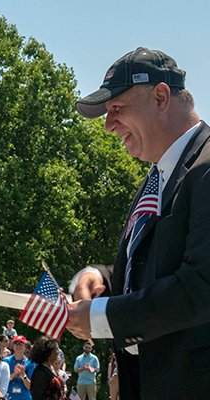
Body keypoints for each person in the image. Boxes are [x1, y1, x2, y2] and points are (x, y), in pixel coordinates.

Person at [67, 46, 210, 399]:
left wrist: (103, 316)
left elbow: (202, 286)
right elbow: (154, 267)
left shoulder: (206, 169)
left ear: (160, 96)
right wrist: (99, 276)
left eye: (116, 109)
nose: (107, 126)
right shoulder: (158, 177)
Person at [29, 336, 64, 400]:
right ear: (49, 352)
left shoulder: (51, 368)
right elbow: (38, 397)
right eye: (57, 349)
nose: (59, 351)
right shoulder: (40, 373)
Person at [3, 335, 35, 400]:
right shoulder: (6, 361)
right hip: (9, 397)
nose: (18, 346)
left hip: (25, 397)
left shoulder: (30, 363)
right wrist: (13, 374)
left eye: (21, 344)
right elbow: (3, 382)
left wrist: (23, 375)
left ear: (25, 347)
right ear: (12, 346)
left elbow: (30, 387)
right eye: (16, 343)